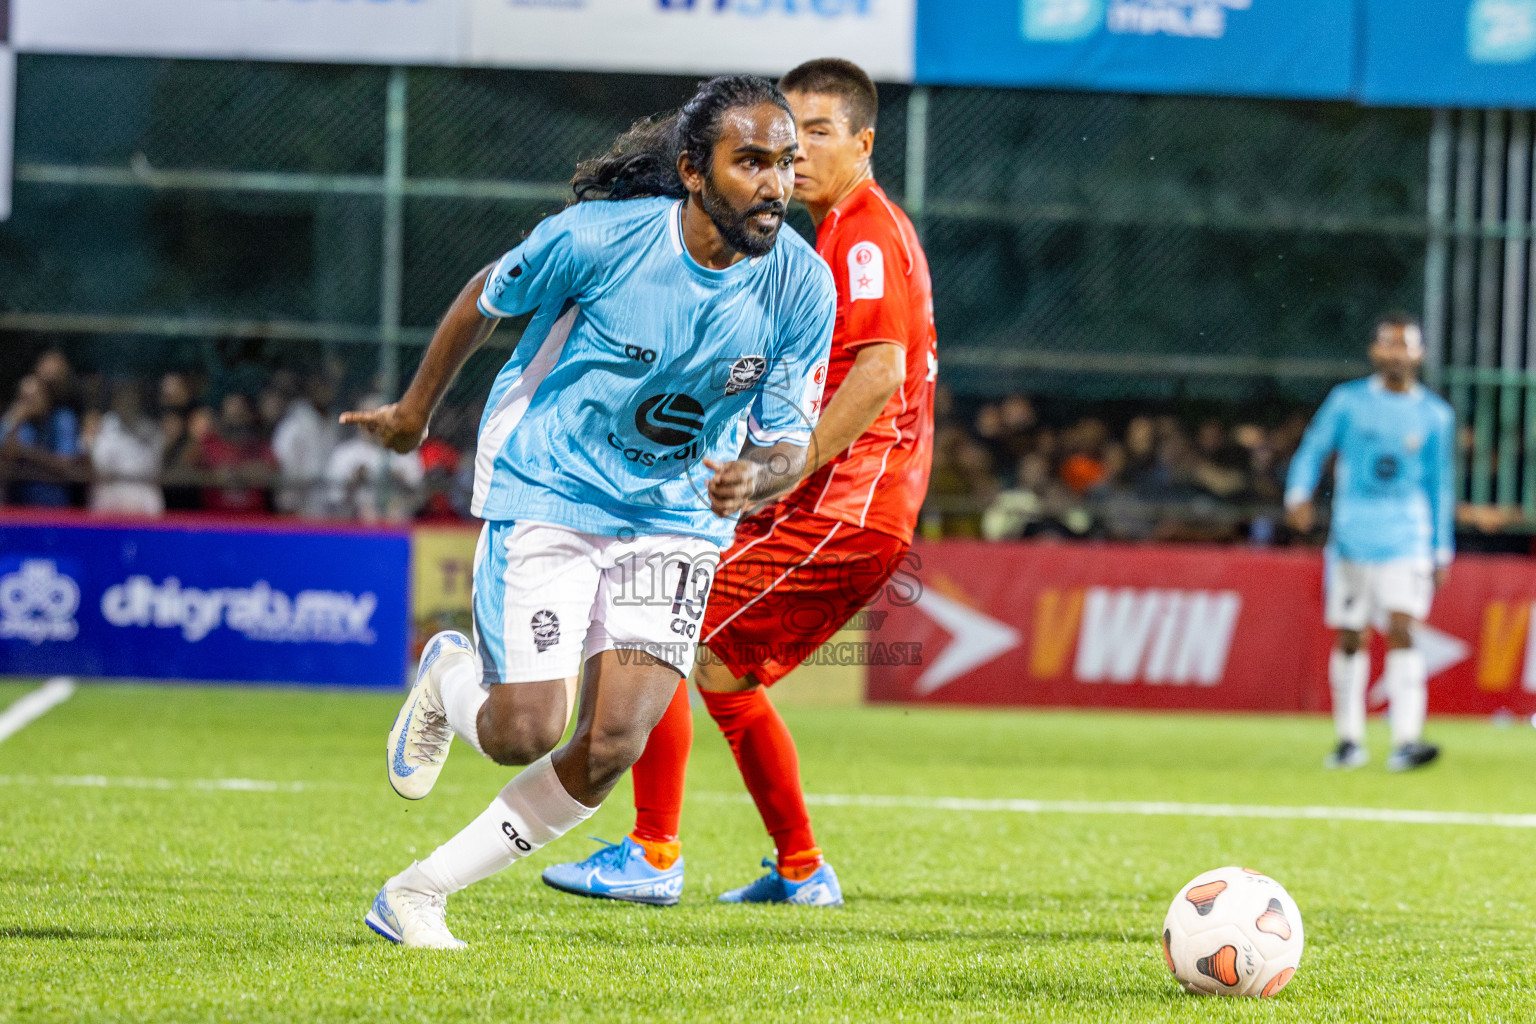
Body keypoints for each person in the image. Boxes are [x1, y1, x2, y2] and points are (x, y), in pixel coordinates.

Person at [346, 74, 835, 949]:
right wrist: (415, 411)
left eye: (787, 163)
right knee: (522, 730)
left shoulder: (801, 284)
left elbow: (787, 439)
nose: (775, 185)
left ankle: (417, 894)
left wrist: (755, 479)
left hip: (677, 517)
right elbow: (482, 298)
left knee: (612, 745)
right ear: (694, 171)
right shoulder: (598, 241)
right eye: (751, 162)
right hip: (552, 486)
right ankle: (449, 676)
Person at [543, 58, 936, 908]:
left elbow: (878, 375)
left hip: (847, 500)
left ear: (864, 144)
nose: (795, 160)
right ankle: (800, 869)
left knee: (665, 634)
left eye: (818, 135)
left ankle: (654, 854)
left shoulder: (862, 232)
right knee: (720, 668)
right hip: (844, 501)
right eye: (790, 140)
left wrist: (780, 470)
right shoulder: (823, 235)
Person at [1284, 313, 1454, 773]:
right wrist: (1297, 491)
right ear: (1375, 352)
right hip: (1352, 538)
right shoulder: (1348, 403)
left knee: (1403, 628)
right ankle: (1349, 739)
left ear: (1419, 354)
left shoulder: (1435, 416)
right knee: (1352, 635)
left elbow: (1440, 486)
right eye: (1388, 345)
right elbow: (1313, 448)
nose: (1396, 354)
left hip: (1407, 538)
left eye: (1405, 346)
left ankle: (1406, 739)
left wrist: (1442, 549)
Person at [1, 374, 82, 507]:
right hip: (17, 493)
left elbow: (66, 463)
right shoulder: (16, 421)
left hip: (54, 492)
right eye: (23, 398)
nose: (28, 403)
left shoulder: (62, 418)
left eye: (33, 397)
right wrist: (14, 423)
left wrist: (26, 452)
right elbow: (6, 458)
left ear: (47, 397)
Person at [88, 380, 166, 516]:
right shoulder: (105, 426)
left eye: (132, 398)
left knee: (153, 499)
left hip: (142, 488)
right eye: (124, 397)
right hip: (111, 487)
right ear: (115, 401)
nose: (128, 402)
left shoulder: (149, 428)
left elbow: (154, 467)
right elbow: (101, 465)